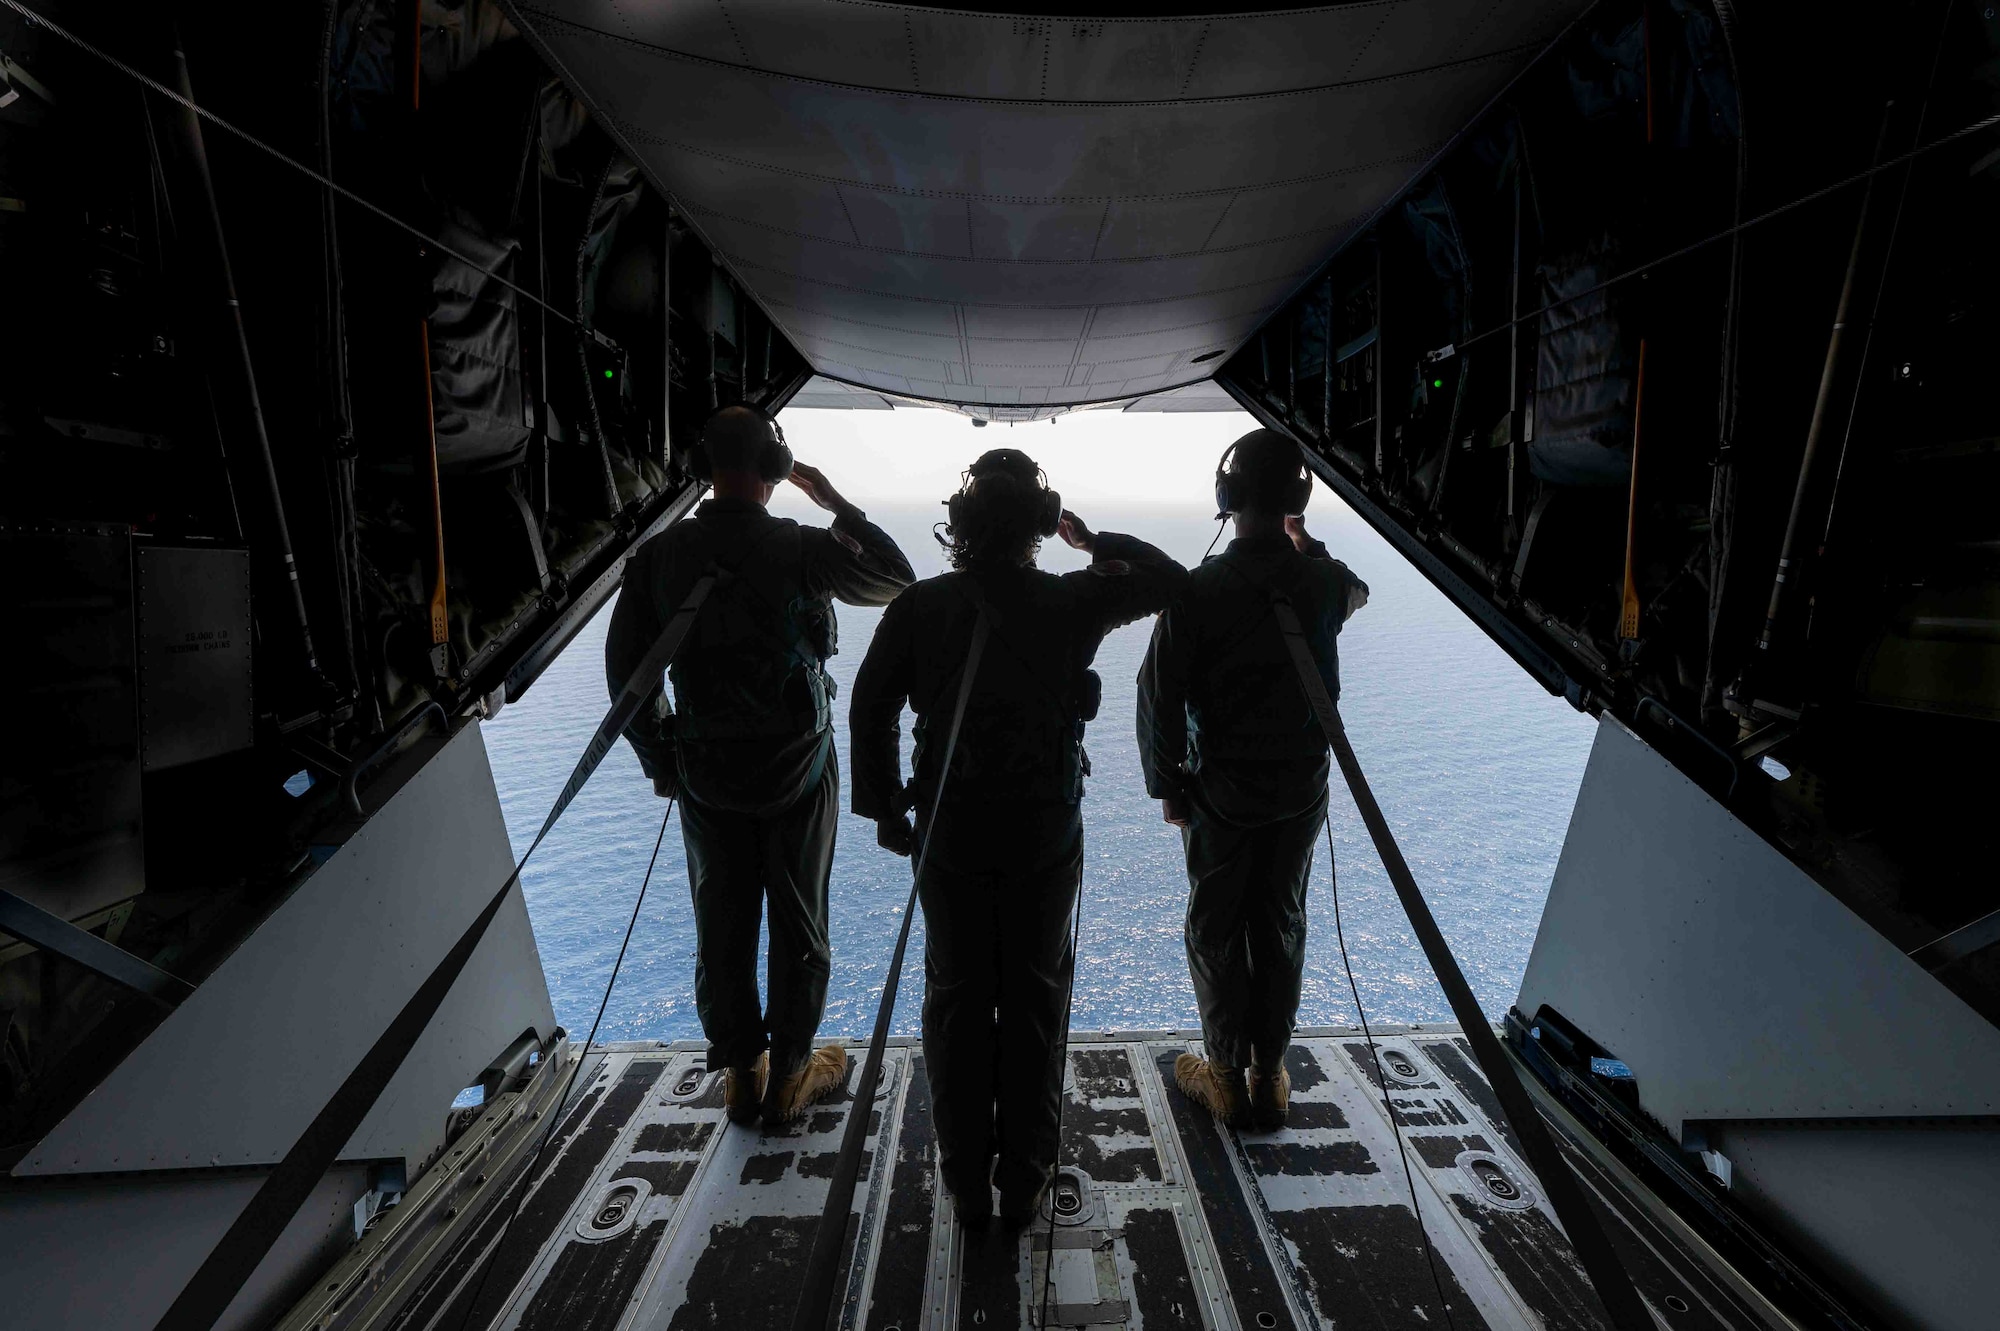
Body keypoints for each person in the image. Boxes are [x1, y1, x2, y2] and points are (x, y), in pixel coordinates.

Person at [849, 449, 1185, 1228]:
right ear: (1037, 522)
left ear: (958, 526)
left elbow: (871, 711)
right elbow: (1173, 582)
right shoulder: (1073, 601)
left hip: (950, 834)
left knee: (958, 997)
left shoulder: (920, 607)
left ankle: (965, 1179)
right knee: (1034, 997)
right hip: (1042, 832)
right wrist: (1093, 541)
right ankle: (1026, 1175)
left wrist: (891, 812)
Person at [606, 405, 914, 1126]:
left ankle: (741, 1071)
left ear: (700, 467)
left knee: (722, 918)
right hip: (798, 770)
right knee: (799, 921)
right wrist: (838, 504)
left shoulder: (659, 557)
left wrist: (660, 758)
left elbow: (630, 675)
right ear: (776, 470)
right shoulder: (803, 548)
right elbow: (894, 577)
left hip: (705, 773)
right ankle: (793, 1072)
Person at [1136, 429, 1368, 1132]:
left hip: (1222, 796)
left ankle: (1227, 1077)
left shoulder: (1198, 590)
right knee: (1281, 923)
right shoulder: (1322, 582)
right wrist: (1306, 541)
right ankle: (1271, 1073)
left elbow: (1158, 694)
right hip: (1300, 793)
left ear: (1226, 499)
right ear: (1295, 499)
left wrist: (1168, 784)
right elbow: (1355, 591)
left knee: (1216, 927)